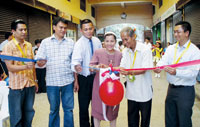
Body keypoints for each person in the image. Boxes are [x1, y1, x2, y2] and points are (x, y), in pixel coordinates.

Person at [154, 21, 200, 127]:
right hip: (171, 90)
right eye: (174, 32)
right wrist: (159, 67)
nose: (175, 35)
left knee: (184, 121)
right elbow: (163, 60)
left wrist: (177, 72)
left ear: (186, 33)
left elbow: (193, 73)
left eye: (178, 32)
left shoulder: (195, 51)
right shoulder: (171, 48)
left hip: (185, 91)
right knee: (170, 120)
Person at [36, 17, 79, 127]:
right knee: (53, 110)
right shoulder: (45, 42)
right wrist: (40, 63)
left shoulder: (71, 43)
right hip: (52, 83)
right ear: (54, 27)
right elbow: (38, 62)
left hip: (68, 81)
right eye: (60, 27)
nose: (63, 30)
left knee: (68, 110)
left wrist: (76, 81)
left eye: (65, 28)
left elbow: (74, 63)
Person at [2, 19, 38, 127]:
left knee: (29, 114)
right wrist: (25, 66)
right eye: (21, 30)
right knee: (16, 116)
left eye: (25, 29)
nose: (24, 32)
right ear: (13, 31)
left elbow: (32, 66)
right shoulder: (8, 46)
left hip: (29, 84)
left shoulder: (29, 45)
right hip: (16, 87)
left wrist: (35, 81)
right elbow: (10, 67)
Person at [119, 27, 153, 127]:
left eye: (126, 39)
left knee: (145, 121)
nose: (124, 43)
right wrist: (109, 68)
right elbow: (122, 66)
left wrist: (128, 73)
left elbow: (144, 69)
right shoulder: (125, 51)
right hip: (131, 92)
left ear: (134, 36)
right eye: (123, 40)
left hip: (144, 91)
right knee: (132, 120)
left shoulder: (145, 49)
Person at [71, 19, 102, 127]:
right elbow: (75, 62)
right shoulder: (79, 44)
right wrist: (77, 69)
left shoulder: (97, 41)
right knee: (83, 106)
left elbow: (101, 57)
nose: (88, 31)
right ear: (81, 30)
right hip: (84, 79)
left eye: (90, 28)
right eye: (85, 29)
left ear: (93, 28)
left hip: (96, 77)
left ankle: (95, 125)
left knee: (96, 105)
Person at [89, 32, 122, 127]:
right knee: (97, 109)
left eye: (112, 41)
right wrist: (97, 66)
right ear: (104, 42)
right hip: (99, 85)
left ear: (115, 42)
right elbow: (91, 67)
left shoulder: (120, 54)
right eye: (107, 41)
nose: (109, 43)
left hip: (114, 88)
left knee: (113, 110)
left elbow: (123, 68)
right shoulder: (98, 52)